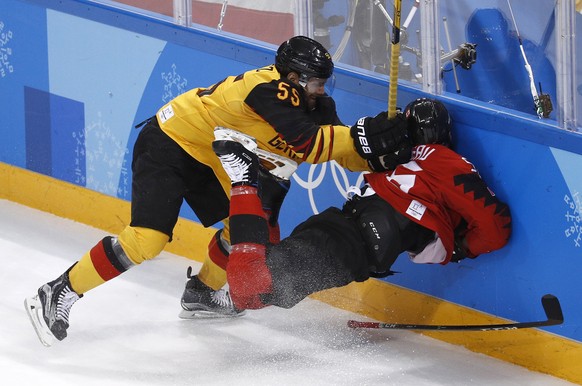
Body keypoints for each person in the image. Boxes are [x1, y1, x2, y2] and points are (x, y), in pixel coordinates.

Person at [24, 35, 409, 346]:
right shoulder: (267, 91)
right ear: (292, 78)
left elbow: (341, 151)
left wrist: (378, 157)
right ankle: (59, 290)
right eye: (316, 82)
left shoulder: (314, 101)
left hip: (213, 154)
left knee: (244, 224)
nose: (323, 90)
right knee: (148, 240)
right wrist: (363, 138)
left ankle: (203, 293)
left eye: (326, 82)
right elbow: (310, 144)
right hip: (172, 142)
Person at [209, 98, 512, 312]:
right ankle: (246, 181)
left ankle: (268, 199)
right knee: (252, 286)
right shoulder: (445, 161)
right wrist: (464, 247)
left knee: (258, 275)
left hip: (337, 226)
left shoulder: (393, 155)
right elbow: (495, 226)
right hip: (352, 246)